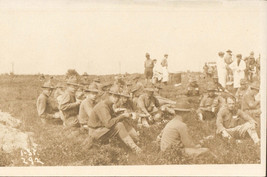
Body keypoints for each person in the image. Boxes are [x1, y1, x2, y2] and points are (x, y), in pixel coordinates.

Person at [86, 86, 141, 153]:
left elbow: (112, 118)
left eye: (118, 97)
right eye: (114, 96)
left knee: (122, 121)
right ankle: (135, 148)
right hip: (94, 133)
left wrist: (122, 115)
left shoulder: (108, 104)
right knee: (119, 125)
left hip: (101, 130)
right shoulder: (103, 106)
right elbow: (108, 124)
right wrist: (122, 116)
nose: (116, 99)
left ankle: (137, 140)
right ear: (109, 95)